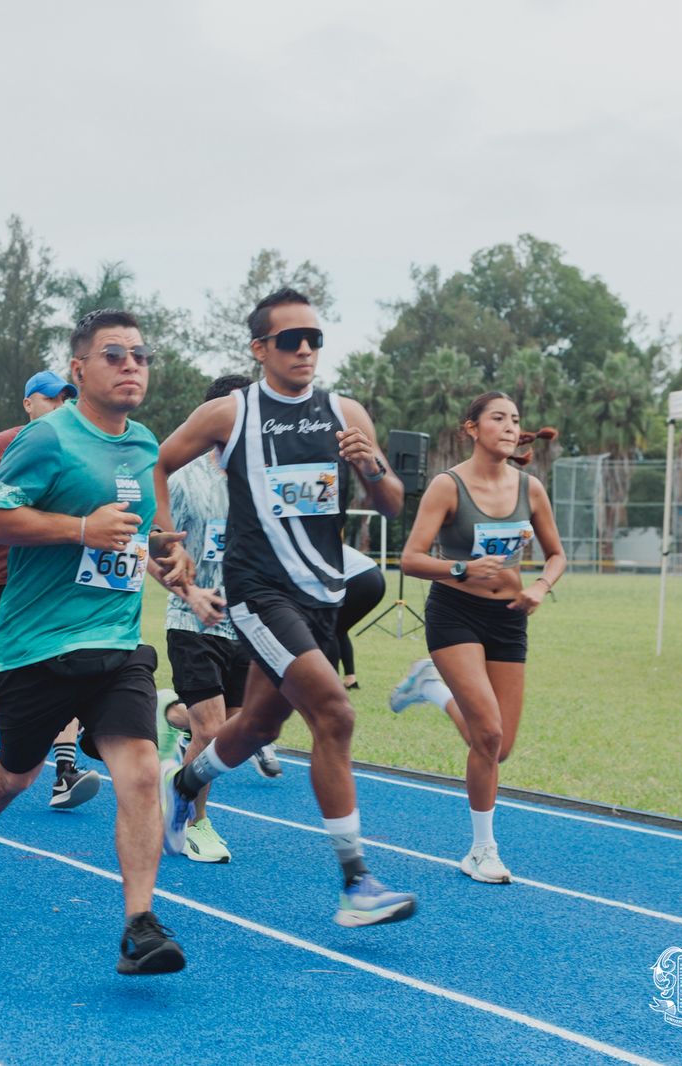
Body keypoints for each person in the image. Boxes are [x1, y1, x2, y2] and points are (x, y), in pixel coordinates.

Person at [153, 288, 417, 928]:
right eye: (291, 340)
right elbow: (157, 464)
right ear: (260, 349)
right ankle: (357, 882)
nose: (305, 350)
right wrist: (167, 541)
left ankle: (181, 785)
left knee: (258, 727)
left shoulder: (344, 412)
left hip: (321, 596)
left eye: (315, 339)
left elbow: (392, 504)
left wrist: (373, 467)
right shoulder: (231, 413)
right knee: (335, 712)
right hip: (257, 593)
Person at [0, 308, 192, 976]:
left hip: (116, 644)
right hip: (37, 647)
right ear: (80, 370)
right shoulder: (46, 438)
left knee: (139, 769)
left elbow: (143, 533)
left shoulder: (147, 447)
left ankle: (139, 925)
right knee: (15, 776)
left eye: (141, 355)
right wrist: (80, 529)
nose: (133, 365)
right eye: (116, 355)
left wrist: (168, 557)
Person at [389, 390, 566, 884]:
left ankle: (430, 688)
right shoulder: (448, 487)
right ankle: (481, 850)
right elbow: (411, 559)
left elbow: (556, 554)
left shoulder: (530, 488)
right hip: (456, 615)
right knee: (486, 733)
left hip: (510, 617)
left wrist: (539, 588)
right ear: (471, 428)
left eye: (515, 419)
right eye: (497, 418)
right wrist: (463, 566)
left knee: (498, 746)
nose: (510, 426)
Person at [0, 370, 101, 809]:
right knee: (7, 677)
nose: (59, 405)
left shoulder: (78, 446)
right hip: (3, 576)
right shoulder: (5, 443)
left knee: (68, 665)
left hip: (56, 578)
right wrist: (12, 514)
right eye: (50, 398)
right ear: (29, 402)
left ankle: (64, 772)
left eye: (66, 398)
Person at [161, 373, 269, 865]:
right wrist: (190, 591)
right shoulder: (183, 479)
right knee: (210, 731)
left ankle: (169, 716)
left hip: (248, 623)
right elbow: (153, 553)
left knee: (247, 728)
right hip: (192, 619)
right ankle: (195, 819)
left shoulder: (268, 480)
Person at [337, 545, 387, 690]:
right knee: (338, 629)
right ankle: (350, 680)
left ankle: (330, 682)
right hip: (374, 575)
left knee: (329, 630)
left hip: (360, 578)